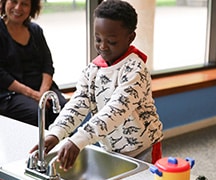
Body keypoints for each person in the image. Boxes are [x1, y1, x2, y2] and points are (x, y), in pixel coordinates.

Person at [30, 0, 163, 170]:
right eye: (98, 39)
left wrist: (79, 139)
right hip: (110, 149)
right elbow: (78, 104)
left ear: (130, 37)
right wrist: (57, 133)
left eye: (112, 42)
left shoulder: (136, 70)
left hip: (143, 149)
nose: (102, 46)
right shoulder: (93, 69)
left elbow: (116, 110)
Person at [0, 0, 67, 129]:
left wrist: (43, 92)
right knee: (35, 113)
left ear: (32, 8)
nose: (18, 8)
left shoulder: (36, 30)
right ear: (4, 3)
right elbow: (2, 75)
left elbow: (47, 65)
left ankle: (60, 148)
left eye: (24, 4)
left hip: (41, 87)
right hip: (10, 92)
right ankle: (36, 148)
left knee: (63, 107)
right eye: (13, 1)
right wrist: (34, 95)